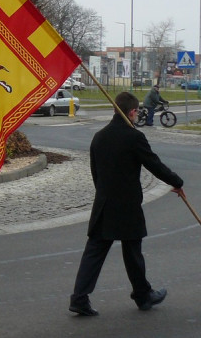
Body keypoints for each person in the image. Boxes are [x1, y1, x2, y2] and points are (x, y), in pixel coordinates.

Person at [68, 91, 185, 317]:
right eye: (136, 112)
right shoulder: (134, 137)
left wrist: (104, 193)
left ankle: (79, 298)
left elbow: (95, 173)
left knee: (94, 252)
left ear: (115, 109)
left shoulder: (99, 137)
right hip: (128, 206)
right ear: (132, 112)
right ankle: (143, 296)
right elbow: (154, 164)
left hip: (104, 203)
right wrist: (177, 182)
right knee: (132, 252)